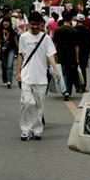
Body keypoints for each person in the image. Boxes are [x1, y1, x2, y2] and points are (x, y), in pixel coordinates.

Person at [16, 12, 60, 141]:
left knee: (39, 105)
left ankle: (37, 130)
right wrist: (18, 72)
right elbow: (20, 55)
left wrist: (56, 69)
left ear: (41, 24)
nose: (34, 26)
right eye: (32, 24)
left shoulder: (45, 38)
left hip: (41, 77)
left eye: (37, 24)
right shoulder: (23, 37)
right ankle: (25, 129)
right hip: (26, 75)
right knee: (26, 102)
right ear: (28, 24)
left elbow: (50, 54)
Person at [53, 10, 79, 101]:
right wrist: (77, 57)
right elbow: (76, 46)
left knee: (62, 71)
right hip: (71, 54)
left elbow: (55, 44)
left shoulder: (58, 30)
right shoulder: (74, 30)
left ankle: (65, 90)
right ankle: (69, 90)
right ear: (71, 19)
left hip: (61, 53)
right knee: (70, 72)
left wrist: (54, 55)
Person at [74, 13, 90, 93]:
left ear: (77, 20)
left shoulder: (73, 29)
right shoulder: (88, 31)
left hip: (74, 52)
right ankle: (83, 85)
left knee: (75, 69)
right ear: (84, 21)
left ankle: (77, 86)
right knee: (83, 69)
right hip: (85, 52)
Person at [0, 17, 18, 88]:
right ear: (2, 23)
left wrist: (20, 51)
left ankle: (9, 81)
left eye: (7, 22)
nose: (6, 23)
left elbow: (16, 42)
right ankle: (5, 80)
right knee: (4, 65)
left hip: (11, 50)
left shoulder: (12, 32)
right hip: (2, 51)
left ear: (10, 23)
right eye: (5, 22)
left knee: (9, 65)